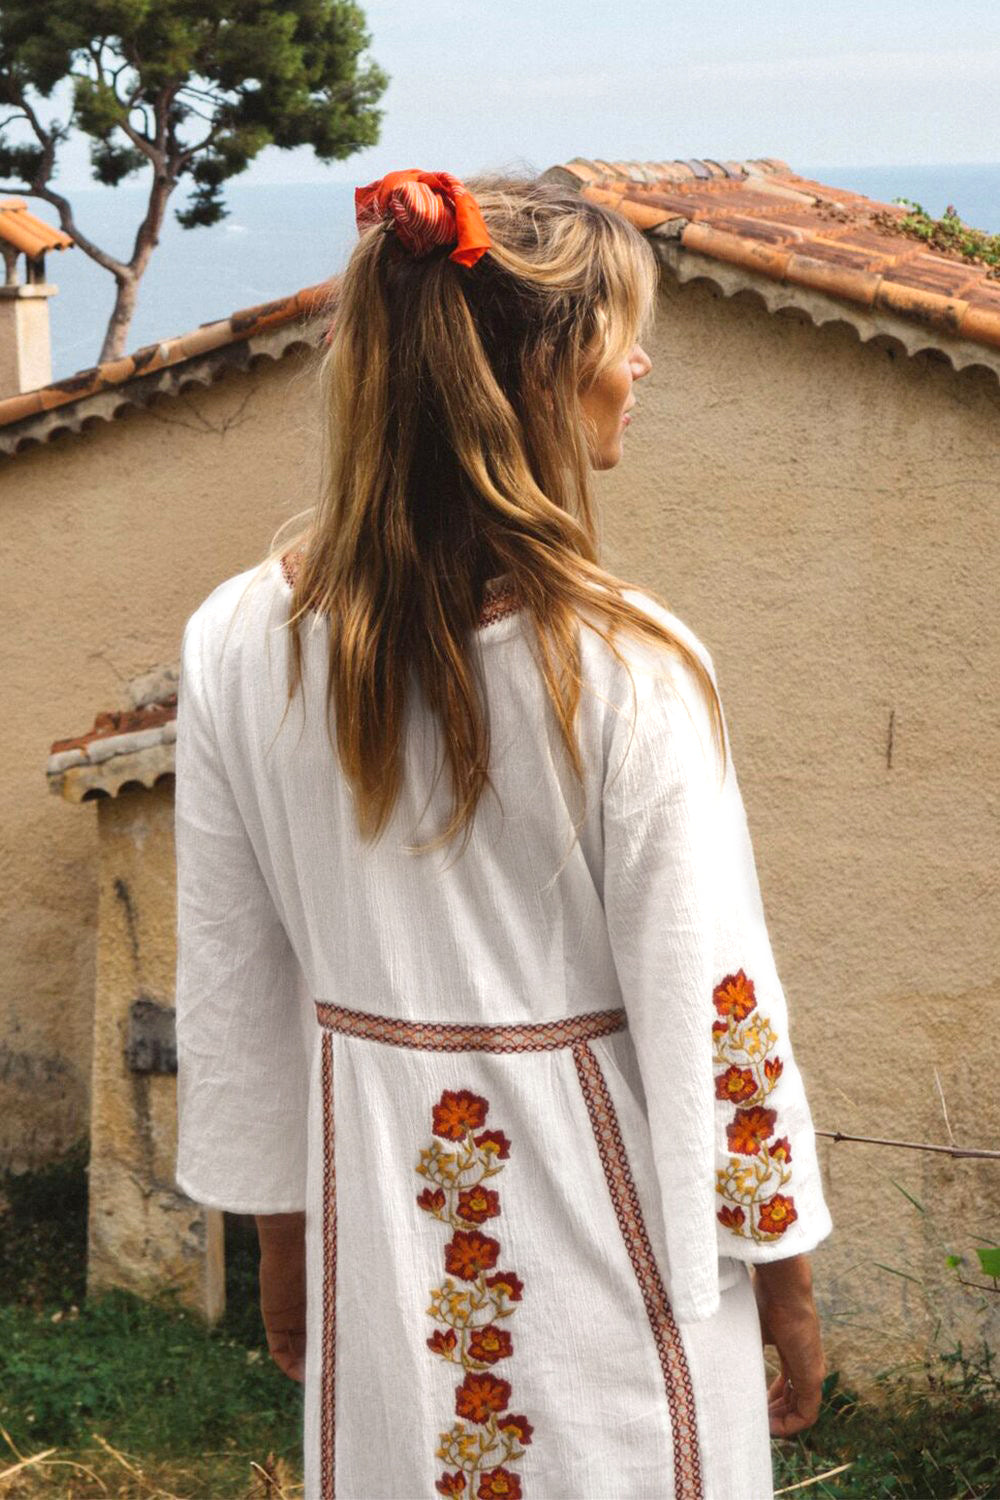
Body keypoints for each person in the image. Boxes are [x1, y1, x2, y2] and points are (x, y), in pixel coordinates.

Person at [173, 168, 833, 1500]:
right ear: (537, 374)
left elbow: (231, 991)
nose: (639, 366)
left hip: (383, 1252)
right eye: (615, 337)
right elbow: (716, 1008)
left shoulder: (241, 645)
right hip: (618, 1251)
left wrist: (281, 1237)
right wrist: (788, 1279)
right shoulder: (630, 671)